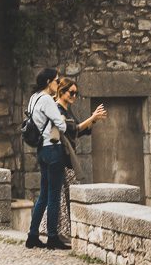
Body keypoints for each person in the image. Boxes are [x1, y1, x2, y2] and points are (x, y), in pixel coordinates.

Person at [40, 77, 107, 241]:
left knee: (64, 193)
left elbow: (78, 131)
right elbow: (73, 128)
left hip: (65, 157)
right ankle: (59, 231)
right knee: (63, 194)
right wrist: (92, 118)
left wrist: (93, 120)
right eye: (71, 92)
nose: (74, 96)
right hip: (58, 156)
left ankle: (48, 228)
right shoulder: (56, 109)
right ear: (61, 92)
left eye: (76, 93)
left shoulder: (66, 110)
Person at [25, 66, 69, 250]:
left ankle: (32, 235)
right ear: (48, 82)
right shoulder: (47, 100)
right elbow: (61, 125)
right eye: (57, 81)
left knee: (43, 194)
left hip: (42, 150)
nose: (58, 84)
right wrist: (62, 121)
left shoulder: (33, 98)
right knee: (53, 195)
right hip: (53, 149)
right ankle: (52, 237)